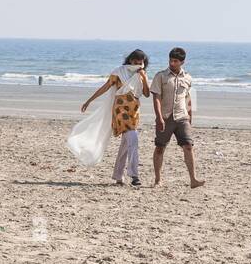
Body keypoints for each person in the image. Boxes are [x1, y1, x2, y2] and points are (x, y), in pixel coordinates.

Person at [78, 50, 151, 186]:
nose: (138, 65)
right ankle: (134, 176)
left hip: (134, 111)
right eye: (135, 62)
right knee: (133, 139)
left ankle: (118, 176)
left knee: (126, 143)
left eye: (141, 63)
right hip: (120, 110)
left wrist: (144, 78)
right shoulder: (119, 72)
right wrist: (89, 101)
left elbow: (146, 94)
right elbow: (105, 87)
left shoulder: (141, 75)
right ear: (130, 61)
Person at [151, 47, 204, 188]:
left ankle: (193, 179)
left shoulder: (188, 78)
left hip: (182, 117)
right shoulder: (160, 76)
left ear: (182, 62)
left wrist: (190, 117)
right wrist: (159, 117)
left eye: (175, 61)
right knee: (160, 148)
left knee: (188, 146)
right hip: (165, 116)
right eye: (170, 60)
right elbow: (156, 98)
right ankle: (158, 179)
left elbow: (188, 98)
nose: (172, 63)